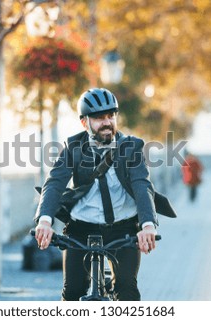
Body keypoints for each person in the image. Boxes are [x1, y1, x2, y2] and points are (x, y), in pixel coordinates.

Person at [33, 88, 172, 301]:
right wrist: (44, 221)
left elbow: (142, 186)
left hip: (123, 228)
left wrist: (147, 226)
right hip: (81, 228)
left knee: (127, 292)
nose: (107, 122)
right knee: (72, 292)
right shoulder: (73, 147)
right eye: (99, 118)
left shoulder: (132, 147)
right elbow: (54, 183)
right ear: (84, 123)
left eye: (111, 116)